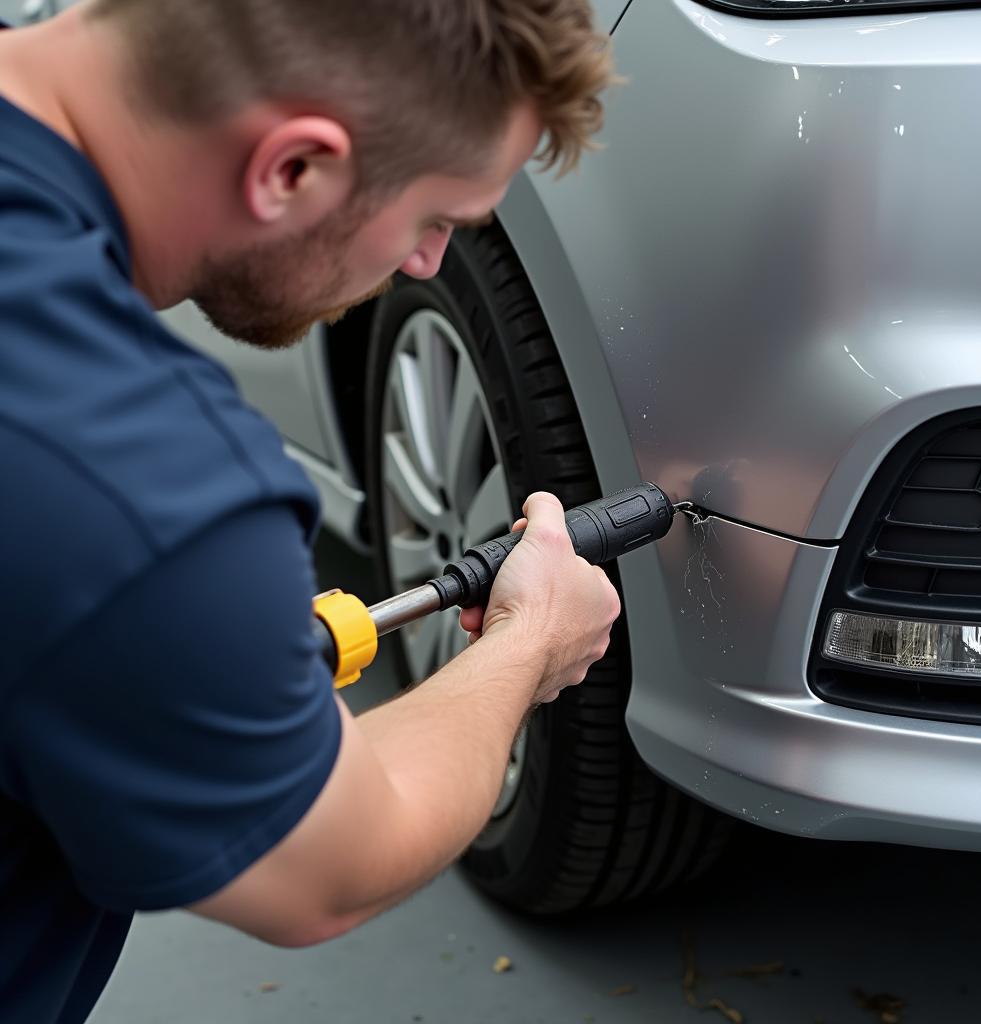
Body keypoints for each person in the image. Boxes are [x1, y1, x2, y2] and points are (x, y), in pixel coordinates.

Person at [0, 1, 620, 1021]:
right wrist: (531, 640)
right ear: (293, 169)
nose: (427, 263)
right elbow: (328, 868)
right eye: (435, 219)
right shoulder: (140, 482)